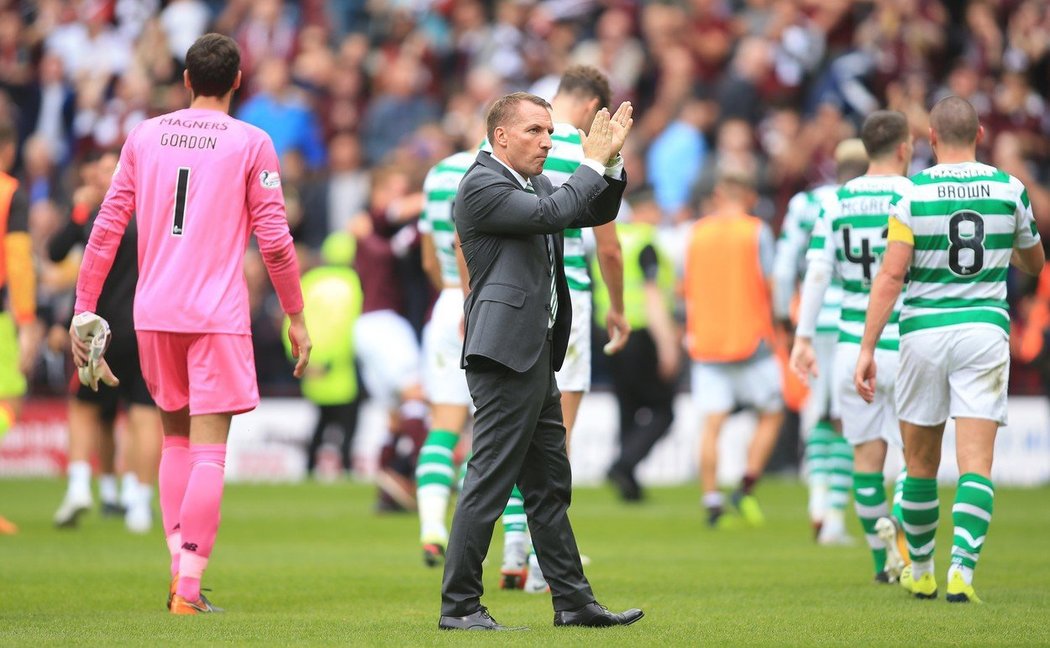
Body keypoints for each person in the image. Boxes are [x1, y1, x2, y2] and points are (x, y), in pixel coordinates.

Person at [70, 33, 310, 616]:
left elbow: (106, 227)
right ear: (236, 83)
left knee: (173, 440)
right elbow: (275, 241)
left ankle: (179, 576)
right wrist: (296, 316)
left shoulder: (144, 135)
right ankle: (189, 589)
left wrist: (83, 305)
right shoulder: (252, 142)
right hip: (215, 315)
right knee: (207, 451)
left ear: (185, 79)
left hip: (153, 313)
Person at [439, 92, 642, 630]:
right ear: (500, 136)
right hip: (505, 355)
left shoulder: (533, 183)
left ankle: (572, 603)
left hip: (531, 354)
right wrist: (591, 161)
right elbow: (558, 212)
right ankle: (459, 606)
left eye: (550, 131)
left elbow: (595, 208)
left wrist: (612, 160)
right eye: (534, 131)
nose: (548, 141)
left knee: (549, 485)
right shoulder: (482, 185)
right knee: (488, 482)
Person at [856, 96, 1044, 603]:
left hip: (923, 334)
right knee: (976, 463)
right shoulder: (1010, 188)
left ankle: (921, 569)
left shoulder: (911, 193)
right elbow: (1033, 261)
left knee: (919, 464)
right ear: (980, 133)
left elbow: (892, 274)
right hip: (984, 331)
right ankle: (962, 568)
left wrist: (868, 347)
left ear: (932, 138)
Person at [486, 64, 629, 595]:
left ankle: (515, 551)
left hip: (515, 302)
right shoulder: (579, 152)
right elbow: (608, 245)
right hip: (567, 302)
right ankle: (541, 564)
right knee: (554, 438)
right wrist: (618, 307)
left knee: (518, 434)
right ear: (595, 105)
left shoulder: (519, 151)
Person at [790, 111, 914, 583]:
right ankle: (908, 553)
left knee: (866, 457)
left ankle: (882, 562)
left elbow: (817, 271)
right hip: (904, 338)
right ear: (903, 148)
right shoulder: (911, 195)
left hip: (846, 344)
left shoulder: (837, 200)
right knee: (912, 459)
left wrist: (803, 338)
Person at [51, 150, 163, 534]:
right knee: (144, 415)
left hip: (99, 328)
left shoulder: (102, 218)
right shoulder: (152, 215)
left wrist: (79, 212)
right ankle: (138, 502)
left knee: (85, 408)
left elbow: (56, 254)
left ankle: (81, 485)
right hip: (148, 327)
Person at [773, 139, 870, 543]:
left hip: (813, 320)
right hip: (859, 322)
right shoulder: (883, 199)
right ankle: (833, 517)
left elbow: (783, 268)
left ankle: (817, 502)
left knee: (817, 412)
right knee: (847, 417)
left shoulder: (806, 204)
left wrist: (784, 318)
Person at [683, 165, 783, 528]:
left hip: (707, 341)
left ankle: (711, 502)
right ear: (750, 198)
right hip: (750, 339)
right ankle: (746, 484)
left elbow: (683, 287)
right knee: (771, 412)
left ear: (719, 195)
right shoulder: (756, 231)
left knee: (712, 424)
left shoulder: (695, 233)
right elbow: (773, 284)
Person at [595, 191, 680, 502]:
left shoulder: (614, 238)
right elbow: (652, 294)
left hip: (608, 331)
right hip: (641, 333)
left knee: (627, 406)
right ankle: (623, 464)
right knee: (663, 410)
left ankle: (628, 482)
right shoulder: (647, 242)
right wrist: (668, 344)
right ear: (647, 209)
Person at [415, 146, 477, 566]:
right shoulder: (501, 170)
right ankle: (514, 547)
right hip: (485, 304)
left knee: (444, 426)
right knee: (501, 432)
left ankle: (432, 526)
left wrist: (451, 291)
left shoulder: (437, 173)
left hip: (446, 303)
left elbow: (427, 258)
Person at [284, 231, 362, 478]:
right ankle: (347, 468)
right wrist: (332, 361)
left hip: (311, 365)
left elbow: (291, 321)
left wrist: (301, 358)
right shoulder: (352, 283)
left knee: (321, 419)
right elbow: (349, 326)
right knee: (348, 423)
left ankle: (308, 469)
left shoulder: (310, 281)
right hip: (342, 369)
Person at [0, 119, 37, 536]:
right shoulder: (10, 193)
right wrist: (26, 321)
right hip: (0, 316)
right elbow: (18, 261)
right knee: (11, 397)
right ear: (8, 149)